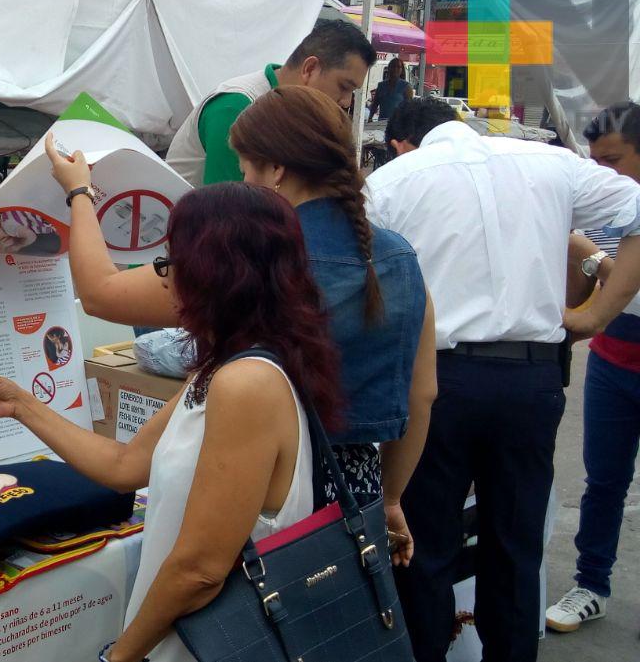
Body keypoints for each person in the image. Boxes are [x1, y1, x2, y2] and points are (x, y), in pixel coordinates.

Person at [0, 182, 366, 662]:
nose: (163, 278)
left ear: (213, 274)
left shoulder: (246, 384)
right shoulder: (224, 368)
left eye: (170, 262)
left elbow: (200, 570)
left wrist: (121, 655)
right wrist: (20, 404)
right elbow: (124, 465)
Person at [54, 85, 434, 526]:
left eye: (245, 172)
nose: (244, 185)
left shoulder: (250, 261)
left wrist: (79, 192)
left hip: (259, 493)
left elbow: (100, 293)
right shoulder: (399, 259)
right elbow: (422, 393)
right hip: (357, 496)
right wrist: (391, 499)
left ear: (276, 170)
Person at [367, 97, 640, 662]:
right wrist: (596, 315)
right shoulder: (550, 164)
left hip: (438, 379)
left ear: (404, 142)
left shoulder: (393, 181)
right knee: (514, 546)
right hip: (529, 379)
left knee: (423, 544)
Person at [548, 101, 640, 633]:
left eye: (614, 160)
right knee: (604, 481)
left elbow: (618, 286)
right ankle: (591, 584)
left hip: (614, 339)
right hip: (613, 362)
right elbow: (585, 288)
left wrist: (595, 260)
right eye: (596, 161)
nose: (604, 173)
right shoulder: (604, 205)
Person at [166, 19, 375, 186]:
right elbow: (228, 214)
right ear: (310, 69)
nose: (346, 102)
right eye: (344, 86)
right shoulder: (237, 107)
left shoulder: (295, 113)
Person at [368, 57, 414, 121]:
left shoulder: (406, 87)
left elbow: (410, 108)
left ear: (402, 70)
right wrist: (370, 117)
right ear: (389, 68)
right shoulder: (381, 85)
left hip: (398, 123)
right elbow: (375, 104)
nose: (395, 69)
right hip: (382, 122)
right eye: (393, 66)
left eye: (398, 67)